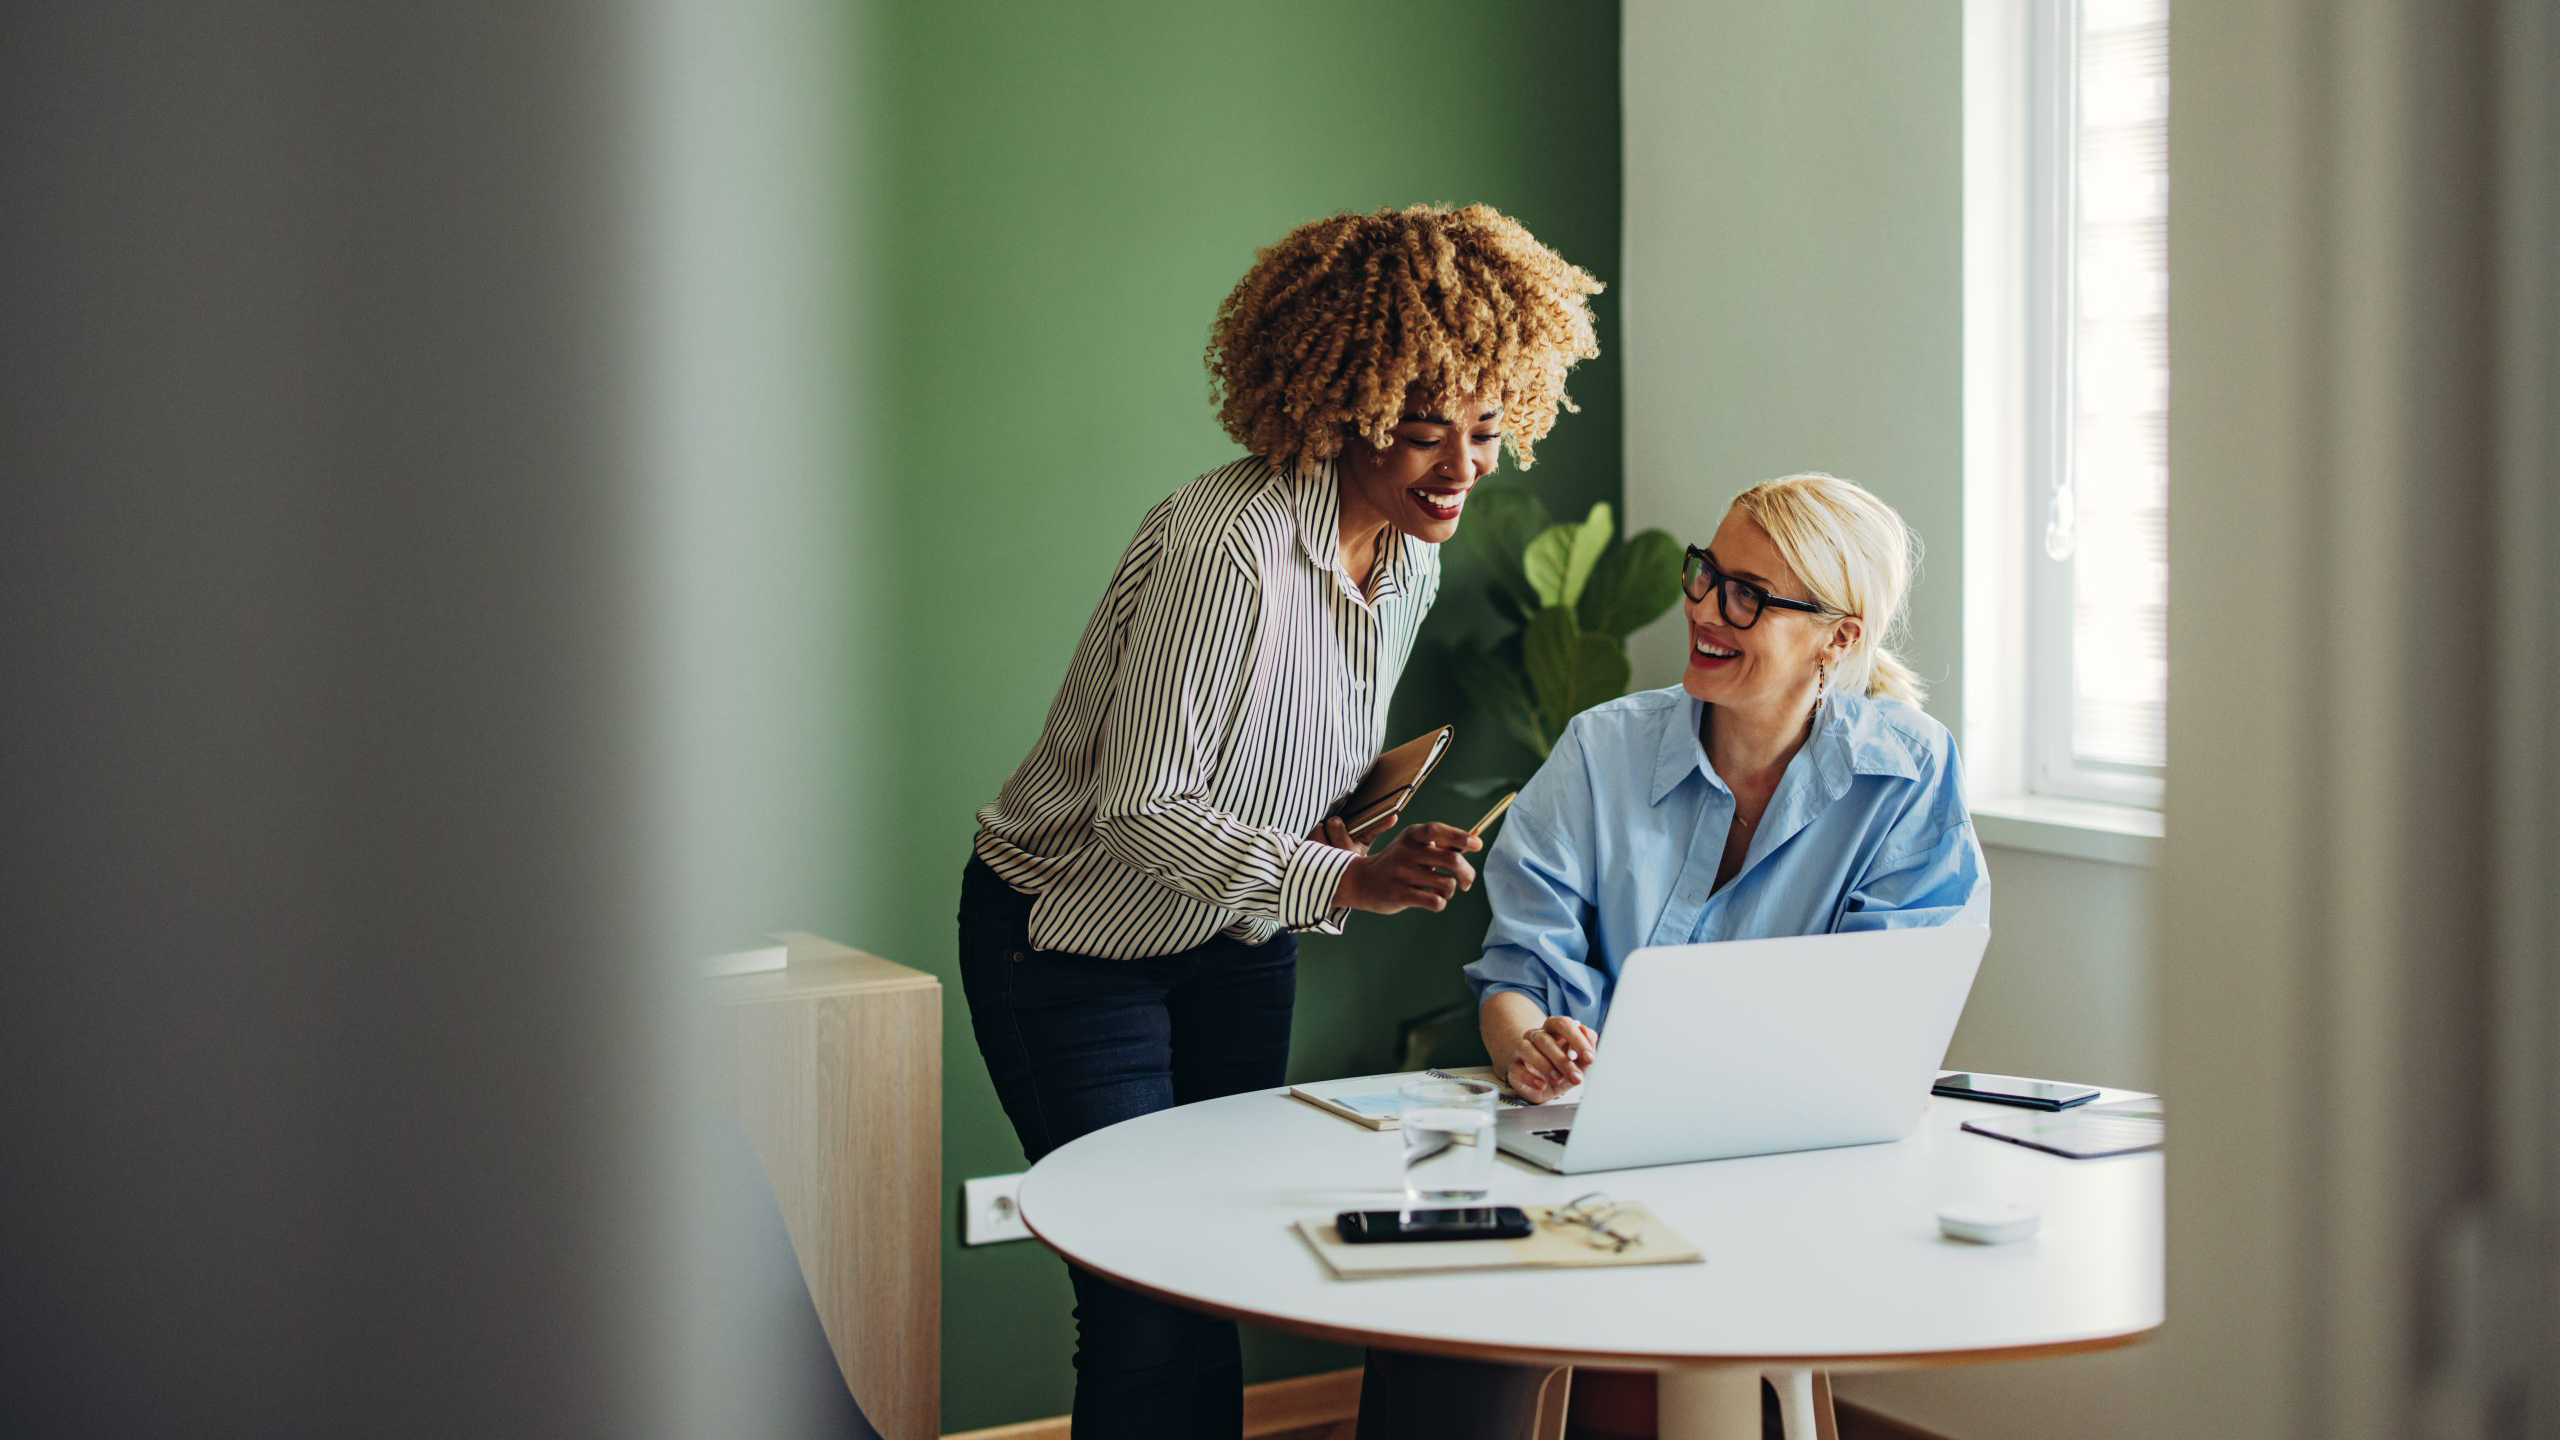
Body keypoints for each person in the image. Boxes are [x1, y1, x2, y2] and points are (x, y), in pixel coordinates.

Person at [960, 203, 1603, 1440]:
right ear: (1335, 407)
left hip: (1237, 940)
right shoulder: (1225, 546)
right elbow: (1139, 804)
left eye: (1483, 432)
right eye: (1423, 436)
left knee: (1209, 1263)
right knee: (1144, 1295)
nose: (1460, 470)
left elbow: (1282, 770)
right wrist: (1344, 886)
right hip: (1070, 947)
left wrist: (1364, 846)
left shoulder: (1404, 558)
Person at [1378, 473, 1987, 1440]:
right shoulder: (1600, 751)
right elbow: (1517, 973)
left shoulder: (1910, 769)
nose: (1705, 608)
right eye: (1707, 573)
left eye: (1750, 594)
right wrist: (1528, 1042)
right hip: (1579, 1137)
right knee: (1437, 1287)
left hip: (1790, 1159)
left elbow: (1888, 998)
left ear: (1839, 634)